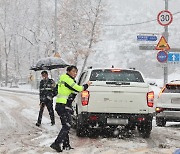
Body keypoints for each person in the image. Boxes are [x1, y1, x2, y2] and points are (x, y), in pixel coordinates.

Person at [50, 65, 92, 152]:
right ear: (68, 71)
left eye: (76, 72)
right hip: (63, 105)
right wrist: (86, 85)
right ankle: (57, 143)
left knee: (65, 125)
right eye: (73, 71)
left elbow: (71, 90)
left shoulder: (64, 79)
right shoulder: (67, 79)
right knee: (67, 125)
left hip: (61, 105)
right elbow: (79, 88)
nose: (75, 73)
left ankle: (66, 145)